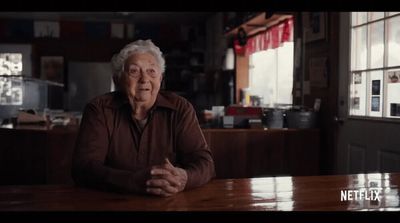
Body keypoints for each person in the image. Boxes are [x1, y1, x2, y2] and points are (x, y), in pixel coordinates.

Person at [71, 39, 215, 197]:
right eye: (134, 71)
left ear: (160, 79)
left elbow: (205, 163)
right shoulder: (99, 109)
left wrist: (184, 178)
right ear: (118, 79)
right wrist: (131, 181)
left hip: (168, 203)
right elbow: (83, 168)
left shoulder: (180, 108)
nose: (144, 79)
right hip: (111, 202)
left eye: (152, 71)